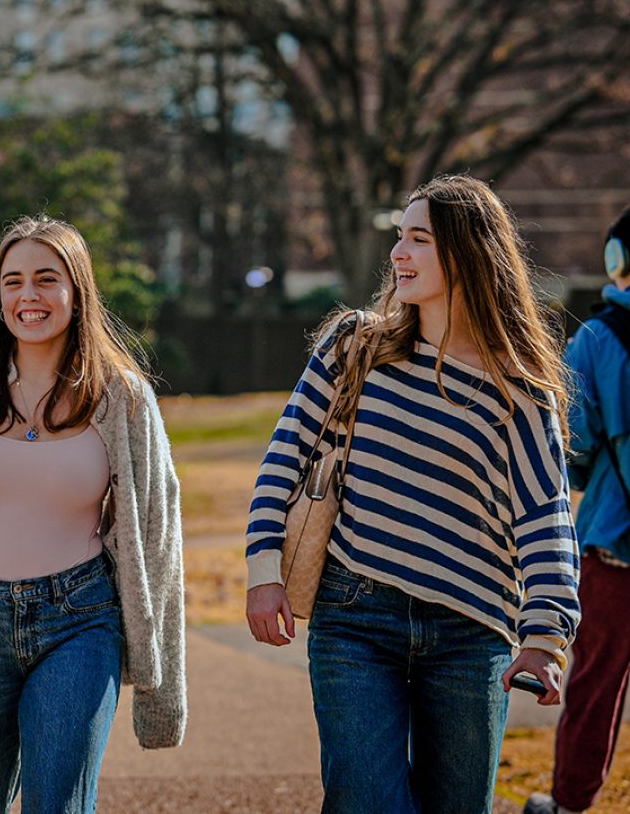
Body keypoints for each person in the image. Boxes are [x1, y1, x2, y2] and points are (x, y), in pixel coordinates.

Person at [245, 174, 581, 814]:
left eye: (418, 239)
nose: (398, 253)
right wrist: (264, 570)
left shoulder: (523, 396)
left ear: (469, 252)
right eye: (399, 237)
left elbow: (546, 521)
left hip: (470, 630)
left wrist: (543, 637)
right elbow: (284, 457)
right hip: (354, 616)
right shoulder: (354, 349)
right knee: (366, 802)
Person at [0, 215, 186, 814]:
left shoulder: (123, 397)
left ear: (77, 293)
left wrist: (162, 692)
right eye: (13, 282)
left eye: (47, 279)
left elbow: (156, 537)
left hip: (80, 621)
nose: (30, 296)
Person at [524, 206, 630, 814]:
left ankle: (569, 804)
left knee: (596, 684)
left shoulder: (597, 339)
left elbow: (574, 447)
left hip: (615, 544)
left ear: (618, 260)